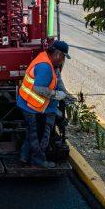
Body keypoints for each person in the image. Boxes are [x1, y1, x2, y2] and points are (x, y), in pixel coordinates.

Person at [17, 40, 71, 168]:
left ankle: (24, 157)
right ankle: (38, 160)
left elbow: (56, 79)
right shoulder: (45, 67)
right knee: (40, 137)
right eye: (63, 57)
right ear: (57, 54)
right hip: (35, 108)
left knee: (31, 134)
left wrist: (64, 93)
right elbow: (39, 89)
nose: (63, 60)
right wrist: (56, 95)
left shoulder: (47, 59)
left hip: (29, 104)